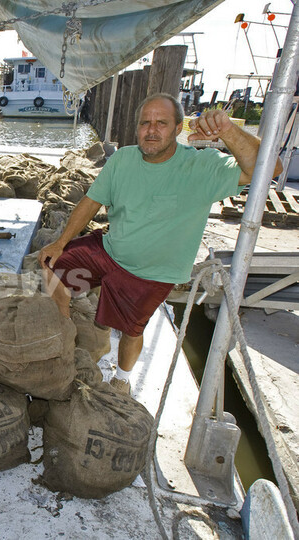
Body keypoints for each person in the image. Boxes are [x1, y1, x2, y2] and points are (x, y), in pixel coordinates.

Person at [38, 93, 282, 395]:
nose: (151, 131)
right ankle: (64, 340)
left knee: (131, 329)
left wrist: (228, 131)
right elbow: (91, 201)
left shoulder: (200, 167)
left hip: (153, 273)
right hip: (110, 250)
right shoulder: (124, 158)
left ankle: (123, 379)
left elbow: (270, 170)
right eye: (145, 123)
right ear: (136, 128)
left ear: (178, 128)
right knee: (53, 268)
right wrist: (60, 243)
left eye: (161, 123)